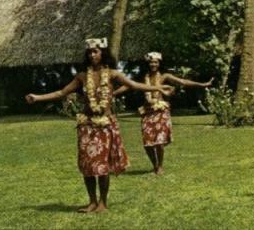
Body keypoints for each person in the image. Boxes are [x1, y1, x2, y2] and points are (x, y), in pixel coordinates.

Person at [25, 38, 173, 214]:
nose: (92, 55)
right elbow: (62, 92)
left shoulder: (112, 74)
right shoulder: (81, 76)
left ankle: (103, 202)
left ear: (103, 53)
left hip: (105, 124)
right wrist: (38, 97)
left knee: (102, 165)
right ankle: (91, 201)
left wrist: (159, 89)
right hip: (87, 125)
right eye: (89, 52)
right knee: (88, 165)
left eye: (95, 51)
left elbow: (134, 85)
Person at [114, 51, 212, 175]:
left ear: (159, 63)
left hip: (161, 111)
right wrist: (113, 94)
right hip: (147, 111)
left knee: (159, 142)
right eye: (151, 62)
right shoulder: (143, 77)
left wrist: (202, 84)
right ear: (147, 63)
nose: (153, 64)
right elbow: (128, 86)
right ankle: (154, 165)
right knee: (147, 143)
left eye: (155, 62)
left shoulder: (164, 76)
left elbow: (182, 82)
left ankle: (160, 166)